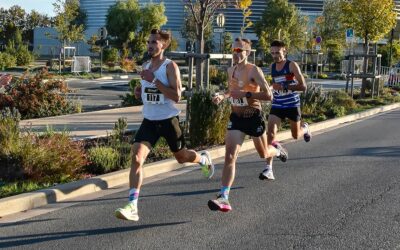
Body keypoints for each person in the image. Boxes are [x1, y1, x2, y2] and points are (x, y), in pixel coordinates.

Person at [115, 29, 215, 221]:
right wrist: (140, 91)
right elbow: (150, 92)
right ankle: (132, 206)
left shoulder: (170, 67)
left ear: (163, 45)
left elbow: (176, 96)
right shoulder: (146, 65)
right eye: (148, 42)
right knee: (136, 158)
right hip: (149, 121)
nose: (150, 45)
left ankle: (203, 160)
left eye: (154, 42)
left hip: (169, 120)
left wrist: (153, 80)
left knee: (182, 157)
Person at [208, 38, 288, 212]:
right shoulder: (231, 70)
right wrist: (223, 96)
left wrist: (247, 94)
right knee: (230, 156)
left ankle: (277, 150)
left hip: (253, 117)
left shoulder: (254, 70)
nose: (235, 54)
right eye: (233, 50)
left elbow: (269, 96)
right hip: (236, 118)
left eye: (239, 50)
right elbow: (231, 90)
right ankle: (224, 197)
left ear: (248, 52)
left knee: (264, 153)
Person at [261, 40, 311, 181]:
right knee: (270, 133)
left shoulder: (292, 65)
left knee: (295, 135)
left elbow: (303, 87)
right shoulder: (272, 67)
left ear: (284, 51)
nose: (275, 55)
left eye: (277, 52)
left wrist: (284, 87)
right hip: (278, 104)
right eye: (272, 53)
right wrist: (269, 90)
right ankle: (269, 169)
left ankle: (305, 128)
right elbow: (274, 84)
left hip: (292, 105)